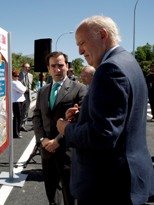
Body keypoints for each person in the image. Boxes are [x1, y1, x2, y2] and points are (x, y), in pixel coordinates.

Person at [56, 15, 154, 205]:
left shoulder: (109, 69)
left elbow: (103, 135)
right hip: (126, 181)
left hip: (107, 187)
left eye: (82, 42)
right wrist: (83, 115)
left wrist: (66, 129)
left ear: (102, 34)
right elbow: (121, 117)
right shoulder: (127, 61)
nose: (79, 50)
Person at [32, 51, 87, 205]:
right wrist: (43, 140)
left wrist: (57, 140)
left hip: (67, 151)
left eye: (60, 65)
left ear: (67, 66)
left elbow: (80, 120)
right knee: (51, 192)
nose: (57, 69)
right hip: (46, 150)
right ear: (48, 68)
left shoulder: (79, 89)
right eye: (53, 66)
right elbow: (37, 116)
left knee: (70, 195)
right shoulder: (43, 91)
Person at [11, 70, 26, 138]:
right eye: (15, 75)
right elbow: (23, 90)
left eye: (18, 75)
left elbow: (24, 88)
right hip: (16, 101)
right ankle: (16, 133)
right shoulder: (12, 83)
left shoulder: (18, 82)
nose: (17, 77)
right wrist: (22, 90)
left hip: (21, 100)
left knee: (21, 117)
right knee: (17, 118)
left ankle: (18, 131)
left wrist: (22, 90)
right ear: (12, 76)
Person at [19, 62, 33, 131]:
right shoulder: (18, 75)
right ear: (23, 68)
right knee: (21, 110)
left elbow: (30, 86)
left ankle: (23, 124)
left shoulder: (30, 75)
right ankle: (19, 124)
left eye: (28, 67)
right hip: (21, 95)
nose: (28, 68)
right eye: (26, 67)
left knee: (26, 110)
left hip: (28, 95)